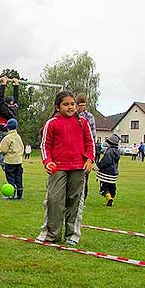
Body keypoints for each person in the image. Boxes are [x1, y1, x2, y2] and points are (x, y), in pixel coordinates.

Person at [36, 91, 94, 246]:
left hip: (78, 167)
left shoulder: (83, 123)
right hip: (58, 168)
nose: (70, 107)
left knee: (75, 201)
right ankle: (51, 234)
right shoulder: (52, 123)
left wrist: (89, 160)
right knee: (54, 200)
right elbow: (45, 145)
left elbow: (90, 143)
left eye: (72, 104)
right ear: (57, 106)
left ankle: (72, 235)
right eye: (66, 104)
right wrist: (47, 161)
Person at [0, 76, 19, 170]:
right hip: (13, 133)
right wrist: (16, 85)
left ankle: (6, 167)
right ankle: (13, 166)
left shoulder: (3, 109)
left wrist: (3, 84)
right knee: (10, 151)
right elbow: (16, 97)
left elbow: (0, 98)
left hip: (3, 132)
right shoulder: (15, 108)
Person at [76, 93, 96, 203]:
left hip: (83, 152)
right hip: (80, 151)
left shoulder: (87, 117)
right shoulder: (74, 115)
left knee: (83, 177)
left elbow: (91, 138)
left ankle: (81, 200)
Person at [0, 118, 24, 199]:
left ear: (8, 127)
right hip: (18, 161)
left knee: (10, 179)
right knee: (18, 178)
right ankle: (19, 195)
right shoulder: (19, 137)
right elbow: (22, 148)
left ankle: (11, 194)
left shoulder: (7, 137)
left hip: (10, 161)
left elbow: (3, 150)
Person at [96, 134, 121, 207]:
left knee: (104, 187)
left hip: (106, 173)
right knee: (112, 187)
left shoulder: (109, 151)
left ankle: (109, 198)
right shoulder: (117, 151)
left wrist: (98, 166)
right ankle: (111, 200)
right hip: (114, 173)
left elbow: (106, 161)